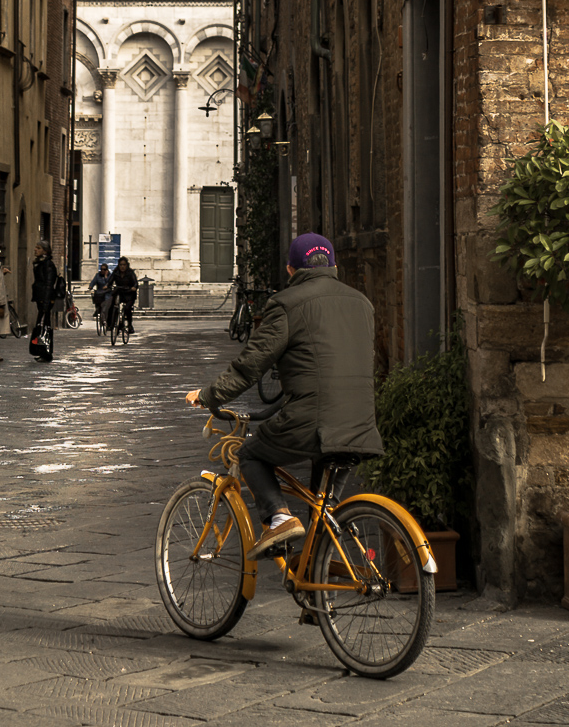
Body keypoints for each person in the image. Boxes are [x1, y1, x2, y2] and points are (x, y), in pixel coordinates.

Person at [185, 233, 383, 561]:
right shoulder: (362, 303)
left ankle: (278, 517)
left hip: (314, 422)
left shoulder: (287, 304)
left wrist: (209, 395)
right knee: (323, 513)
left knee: (250, 454)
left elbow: (250, 365)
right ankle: (318, 600)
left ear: (291, 270)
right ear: (333, 266)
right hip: (361, 423)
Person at [107, 256, 138, 335]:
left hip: (129, 293)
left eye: (124, 265)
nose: (122, 266)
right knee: (112, 306)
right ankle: (111, 324)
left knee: (127, 309)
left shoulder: (130, 272)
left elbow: (135, 282)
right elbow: (110, 281)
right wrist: (107, 285)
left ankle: (130, 325)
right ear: (118, 265)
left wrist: (134, 287)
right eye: (121, 265)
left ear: (127, 265)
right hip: (120, 292)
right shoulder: (116, 272)